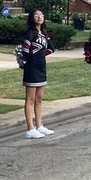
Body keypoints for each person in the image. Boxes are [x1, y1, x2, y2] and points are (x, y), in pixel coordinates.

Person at [21, 9, 54, 138]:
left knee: (39, 98)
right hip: (32, 68)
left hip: (41, 68)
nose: (39, 17)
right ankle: (30, 128)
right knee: (30, 99)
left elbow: (51, 48)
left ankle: (39, 125)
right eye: (36, 15)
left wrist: (41, 55)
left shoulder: (44, 33)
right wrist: (32, 58)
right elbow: (25, 50)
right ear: (32, 17)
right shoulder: (30, 32)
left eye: (41, 14)